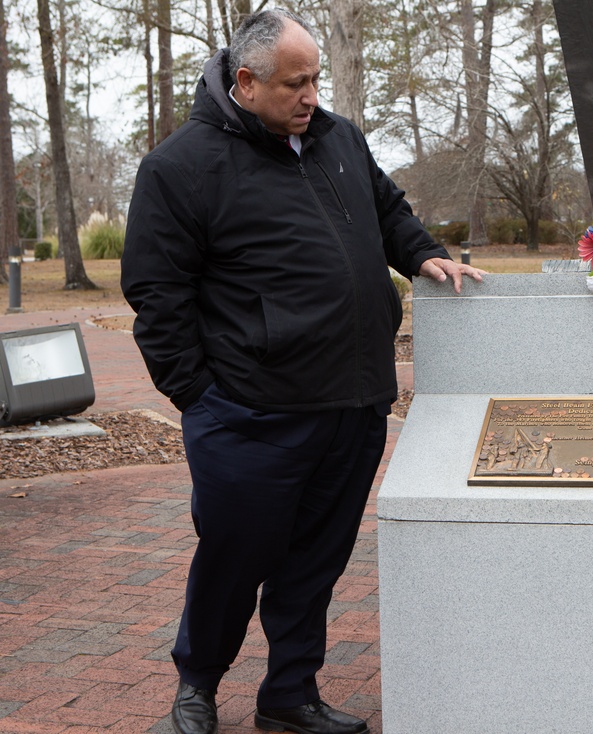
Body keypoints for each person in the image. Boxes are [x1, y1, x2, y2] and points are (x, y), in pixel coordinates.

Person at [121, 9, 484, 734]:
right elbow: (157, 295)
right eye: (296, 83)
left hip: (352, 403)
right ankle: (197, 687)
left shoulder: (337, 139)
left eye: (316, 78)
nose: (311, 95)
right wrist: (199, 396)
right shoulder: (180, 167)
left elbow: (386, 210)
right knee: (233, 559)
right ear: (246, 81)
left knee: (315, 562)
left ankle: (290, 693)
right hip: (249, 413)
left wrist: (421, 252)